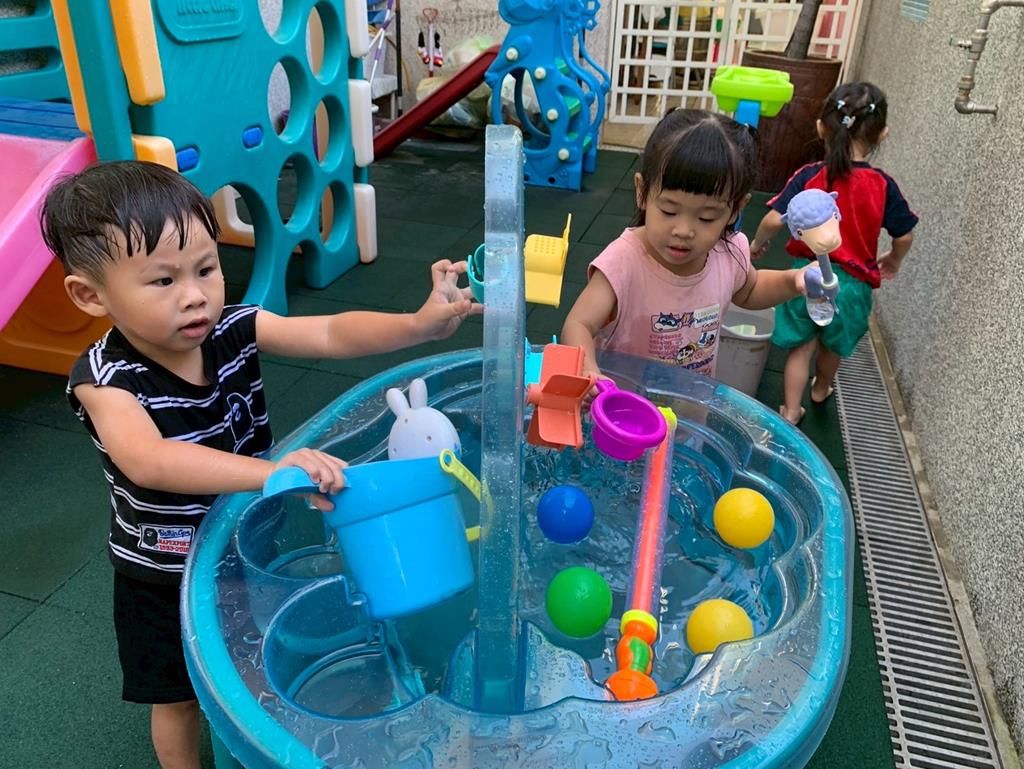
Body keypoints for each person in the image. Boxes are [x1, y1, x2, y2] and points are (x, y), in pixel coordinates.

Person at [41, 160, 481, 769]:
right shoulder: (105, 379)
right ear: (91, 295)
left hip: (244, 537)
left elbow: (330, 334)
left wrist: (418, 326)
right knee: (176, 696)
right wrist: (271, 473)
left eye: (206, 268)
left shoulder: (231, 328)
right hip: (163, 568)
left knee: (245, 653)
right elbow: (150, 461)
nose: (195, 295)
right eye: (163, 281)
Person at [561, 108, 812, 383]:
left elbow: (750, 290)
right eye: (669, 211)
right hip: (622, 405)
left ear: (736, 209)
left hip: (688, 401)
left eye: (707, 217)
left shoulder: (728, 253)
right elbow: (578, 323)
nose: (683, 231)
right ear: (642, 192)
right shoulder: (624, 260)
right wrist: (588, 370)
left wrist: (792, 281)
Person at [749, 82, 917, 424]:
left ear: (820, 128)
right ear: (882, 134)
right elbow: (904, 235)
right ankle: (821, 388)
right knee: (831, 346)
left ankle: (791, 409)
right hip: (853, 286)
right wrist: (893, 259)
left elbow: (773, 219)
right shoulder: (882, 185)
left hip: (807, 276)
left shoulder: (811, 176)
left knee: (801, 347)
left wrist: (757, 244)